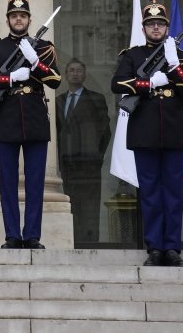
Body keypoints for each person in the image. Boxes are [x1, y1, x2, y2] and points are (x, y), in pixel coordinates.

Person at [111, 0, 183, 267]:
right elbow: (118, 83)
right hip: (144, 132)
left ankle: (172, 247)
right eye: (151, 24)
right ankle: (155, 247)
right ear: (144, 28)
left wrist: (174, 66)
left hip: (173, 132)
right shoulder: (132, 55)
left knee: (172, 191)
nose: (156, 28)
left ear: (166, 27)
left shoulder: (181, 57)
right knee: (149, 191)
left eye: (160, 24)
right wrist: (148, 83)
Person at [0, 0, 61, 250]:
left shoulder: (43, 48)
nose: (18, 20)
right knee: (7, 183)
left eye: (23, 15)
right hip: (7, 117)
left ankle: (32, 235)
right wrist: (11, 78)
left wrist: (36, 63)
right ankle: (12, 235)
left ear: (29, 18)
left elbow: (55, 81)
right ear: (8, 19)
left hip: (35, 117)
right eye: (14, 15)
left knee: (36, 183)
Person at [56, 58, 111, 243]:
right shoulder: (58, 101)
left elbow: (105, 130)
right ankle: (71, 240)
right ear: (65, 75)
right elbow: (57, 132)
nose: (75, 73)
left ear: (85, 75)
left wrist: (96, 154)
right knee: (70, 203)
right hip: (67, 163)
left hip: (89, 163)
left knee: (90, 205)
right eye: (71, 70)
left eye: (79, 70)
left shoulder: (95, 98)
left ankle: (89, 241)